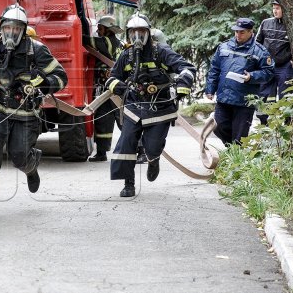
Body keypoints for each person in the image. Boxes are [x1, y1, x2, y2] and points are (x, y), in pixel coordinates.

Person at [0, 3, 68, 219]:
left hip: (26, 112)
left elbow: (61, 76)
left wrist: (42, 85)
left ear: (23, 30)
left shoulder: (37, 49)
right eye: (8, 28)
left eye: (16, 28)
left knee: (19, 155)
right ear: (1, 28)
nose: (11, 33)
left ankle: (30, 167)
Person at [106, 15, 195, 196]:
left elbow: (187, 68)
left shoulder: (161, 51)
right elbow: (111, 78)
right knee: (126, 144)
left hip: (160, 107)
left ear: (148, 32)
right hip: (135, 106)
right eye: (133, 32)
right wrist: (119, 87)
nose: (137, 36)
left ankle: (153, 160)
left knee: (152, 147)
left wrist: (182, 85)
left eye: (141, 32)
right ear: (129, 34)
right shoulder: (127, 55)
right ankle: (128, 184)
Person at [205, 17, 274, 146]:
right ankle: (232, 150)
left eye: (242, 32)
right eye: (236, 31)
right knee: (218, 127)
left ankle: (236, 159)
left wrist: (252, 76)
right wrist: (210, 89)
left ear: (250, 32)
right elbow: (214, 69)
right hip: (224, 98)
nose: (238, 35)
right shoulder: (224, 47)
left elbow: (269, 72)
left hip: (244, 101)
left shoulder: (260, 51)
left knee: (240, 136)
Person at [83, 15, 123, 161]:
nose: (98, 31)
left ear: (107, 30)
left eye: (100, 28)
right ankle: (101, 153)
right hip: (105, 88)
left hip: (114, 87)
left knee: (123, 120)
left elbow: (87, 40)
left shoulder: (108, 41)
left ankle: (140, 150)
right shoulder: (116, 42)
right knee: (102, 119)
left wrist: (76, 31)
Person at [255, 0, 293, 125]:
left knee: (286, 94)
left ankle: (287, 123)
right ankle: (264, 123)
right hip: (267, 66)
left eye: (278, 8)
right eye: (274, 8)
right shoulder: (265, 23)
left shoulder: (291, 25)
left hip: (284, 66)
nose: (275, 11)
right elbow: (257, 43)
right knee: (264, 95)